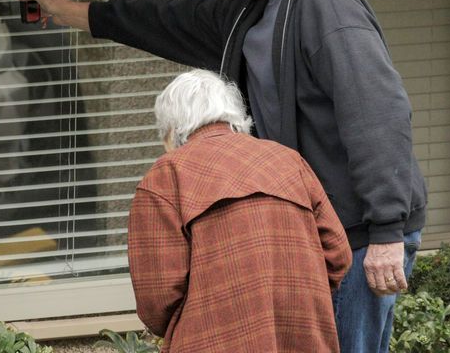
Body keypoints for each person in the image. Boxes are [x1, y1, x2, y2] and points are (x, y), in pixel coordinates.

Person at [14, 0, 427, 353]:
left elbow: (377, 110)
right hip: (309, 232)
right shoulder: (255, 8)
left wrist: (386, 232)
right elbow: (162, 20)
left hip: (358, 236)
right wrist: (64, 11)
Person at [129, 69, 352, 352]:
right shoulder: (288, 161)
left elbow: (157, 295)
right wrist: (299, 293)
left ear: (173, 129)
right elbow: (338, 256)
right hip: (302, 337)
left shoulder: (167, 176)